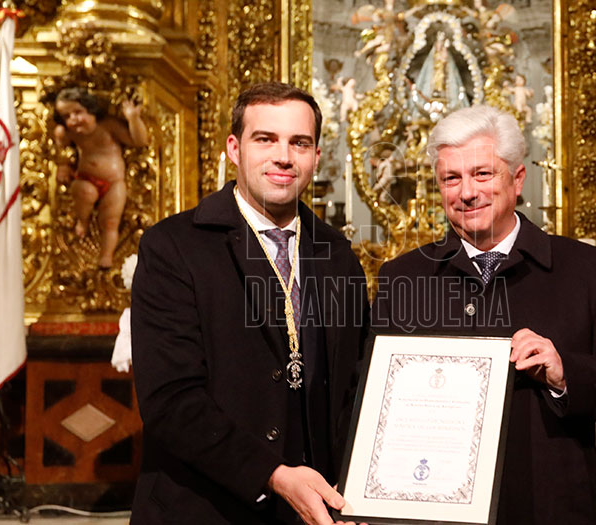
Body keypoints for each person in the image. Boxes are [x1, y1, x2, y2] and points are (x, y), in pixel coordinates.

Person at [371, 105, 596, 524]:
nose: (466, 192)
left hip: (548, 507)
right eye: (451, 178)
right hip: (433, 510)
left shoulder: (583, 269)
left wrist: (565, 374)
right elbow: (369, 400)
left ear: (518, 179)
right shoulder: (404, 277)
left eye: (482, 174)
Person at [130, 82, 370, 524]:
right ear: (234, 149)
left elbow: (356, 387)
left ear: (317, 157)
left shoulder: (337, 254)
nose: (284, 156)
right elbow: (170, 401)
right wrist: (272, 475)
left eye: (300, 143)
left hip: (316, 511)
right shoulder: (174, 247)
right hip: (205, 510)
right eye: (266, 139)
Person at [52, 87, 149, 268]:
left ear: (90, 109)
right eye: (66, 116)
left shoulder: (108, 126)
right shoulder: (71, 133)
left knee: (111, 221)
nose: (73, 119)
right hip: (85, 178)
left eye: (78, 112)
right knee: (84, 192)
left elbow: (139, 141)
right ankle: (83, 220)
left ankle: (106, 255)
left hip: (114, 183)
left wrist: (133, 118)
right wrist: (63, 165)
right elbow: (60, 149)